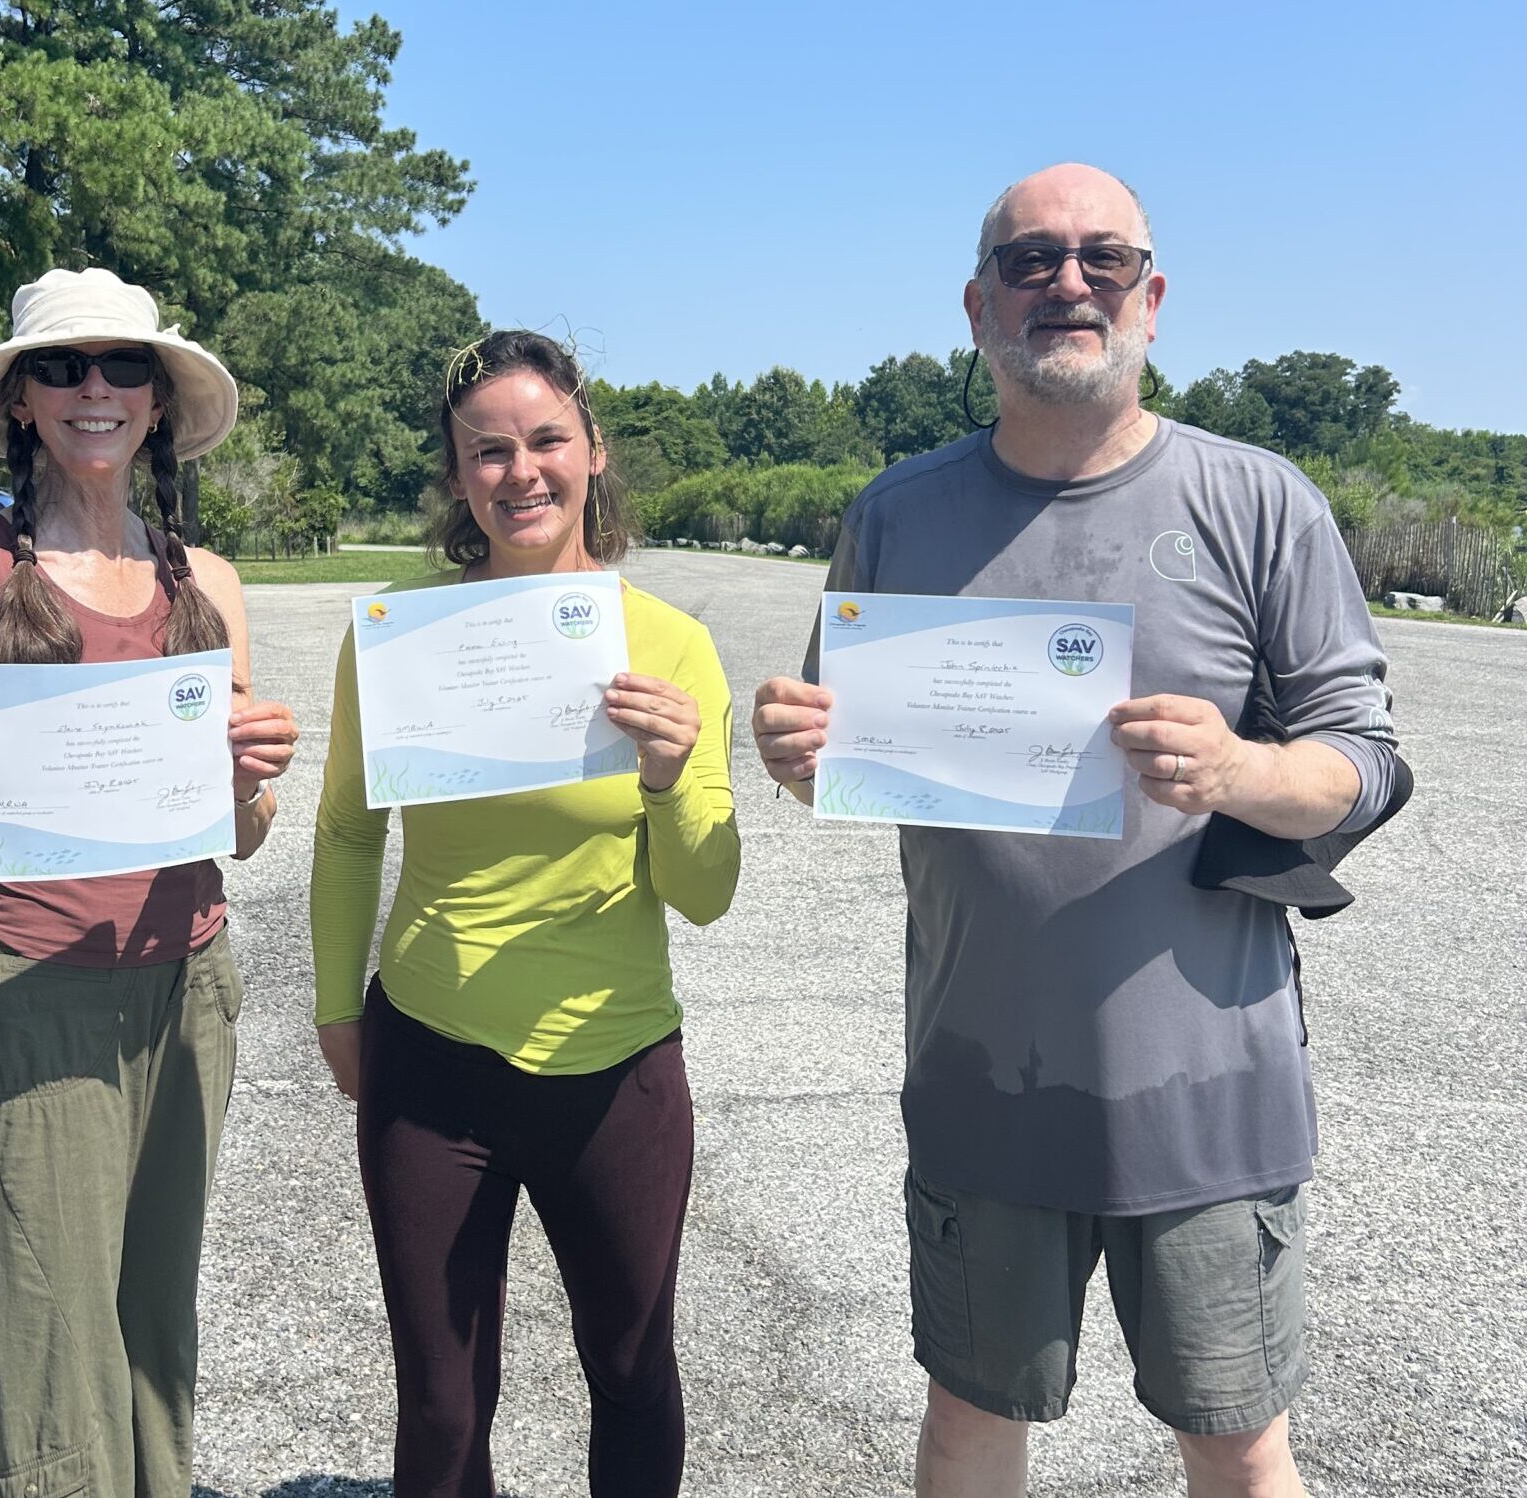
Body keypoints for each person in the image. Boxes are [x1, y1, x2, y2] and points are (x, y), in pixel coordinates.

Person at [752, 164, 1398, 1498]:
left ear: (1151, 297)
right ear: (977, 303)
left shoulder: (1258, 500)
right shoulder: (897, 513)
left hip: (1208, 1093)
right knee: (967, 1429)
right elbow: (844, 767)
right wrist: (794, 757)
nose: (1068, 282)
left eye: (1103, 258)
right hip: (984, 1079)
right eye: (1032, 260)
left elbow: (1367, 761)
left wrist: (1240, 769)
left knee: (1235, 1439)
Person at [0, 266, 299, 1498]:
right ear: (23, 402)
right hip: (30, 991)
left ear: (158, 401)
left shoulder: (208, 582)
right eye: (63, 367)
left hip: (190, 989)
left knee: (155, 1333)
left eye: (124, 367)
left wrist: (254, 778)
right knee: (51, 1350)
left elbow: (243, 836)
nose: (95, 389)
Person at [309, 330, 741, 1498]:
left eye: (547, 439)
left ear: (594, 450)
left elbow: (705, 893)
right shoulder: (399, 637)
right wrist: (336, 1010)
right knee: (444, 1404)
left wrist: (667, 777)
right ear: (456, 478)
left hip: (616, 1069)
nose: (522, 471)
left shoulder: (672, 647)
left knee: (633, 1367)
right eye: (487, 451)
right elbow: (351, 829)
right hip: (432, 1057)